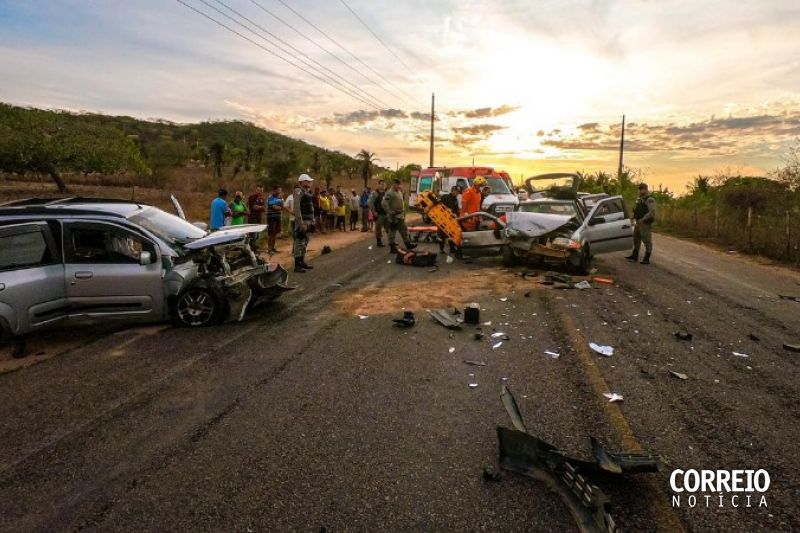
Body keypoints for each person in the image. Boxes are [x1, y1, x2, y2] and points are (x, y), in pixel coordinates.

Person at [381, 179, 417, 253]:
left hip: (400, 216)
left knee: (404, 230)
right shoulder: (390, 193)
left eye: (399, 184)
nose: (399, 186)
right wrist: (390, 211)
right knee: (392, 232)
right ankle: (392, 247)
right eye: (397, 184)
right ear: (394, 184)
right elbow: (384, 203)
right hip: (393, 216)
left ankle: (408, 244)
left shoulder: (399, 192)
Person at [626, 183, 657, 264]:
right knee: (636, 239)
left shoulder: (650, 199)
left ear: (645, 189)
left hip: (645, 223)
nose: (639, 191)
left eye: (641, 189)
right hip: (638, 222)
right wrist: (633, 217)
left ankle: (646, 258)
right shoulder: (640, 199)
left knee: (647, 241)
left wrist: (643, 219)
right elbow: (638, 210)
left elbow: (652, 212)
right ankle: (634, 255)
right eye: (639, 189)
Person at [292, 174, 316, 273]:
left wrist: (313, 220)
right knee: (299, 241)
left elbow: (311, 207)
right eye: (308, 181)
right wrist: (300, 222)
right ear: (302, 182)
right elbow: (297, 208)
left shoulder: (305, 192)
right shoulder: (298, 191)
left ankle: (302, 261)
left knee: (305, 240)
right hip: (302, 221)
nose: (310, 183)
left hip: (308, 220)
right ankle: (297, 265)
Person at [438, 185, 461, 253]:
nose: (457, 193)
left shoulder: (456, 200)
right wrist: (446, 210)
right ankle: (441, 249)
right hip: (443, 219)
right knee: (441, 235)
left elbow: (456, 209)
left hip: (451, 219)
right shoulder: (445, 197)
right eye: (456, 192)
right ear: (452, 191)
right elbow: (439, 205)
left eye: (458, 192)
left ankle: (452, 248)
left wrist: (456, 215)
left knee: (452, 234)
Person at [368, 179, 388, 247]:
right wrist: (374, 212)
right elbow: (370, 203)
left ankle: (391, 242)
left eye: (384, 184)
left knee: (389, 228)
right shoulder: (375, 193)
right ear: (378, 185)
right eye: (381, 184)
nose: (383, 185)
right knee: (378, 228)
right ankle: (379, 242)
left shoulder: (386, 193)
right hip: (379, 214)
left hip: (386, 214)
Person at [266, 185, 285, 255]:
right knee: (271, 233)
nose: (280, 191)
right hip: (271, 217)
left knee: (275, 233)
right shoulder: (270, 197)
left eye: (280, 190)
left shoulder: (280, 197)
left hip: (278, 217)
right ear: (275, 190)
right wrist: (280, 207)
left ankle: (273, 248)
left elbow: (282, 206)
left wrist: (279, 207)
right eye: (279, 190)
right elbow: (273, 207)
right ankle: (269, 249)